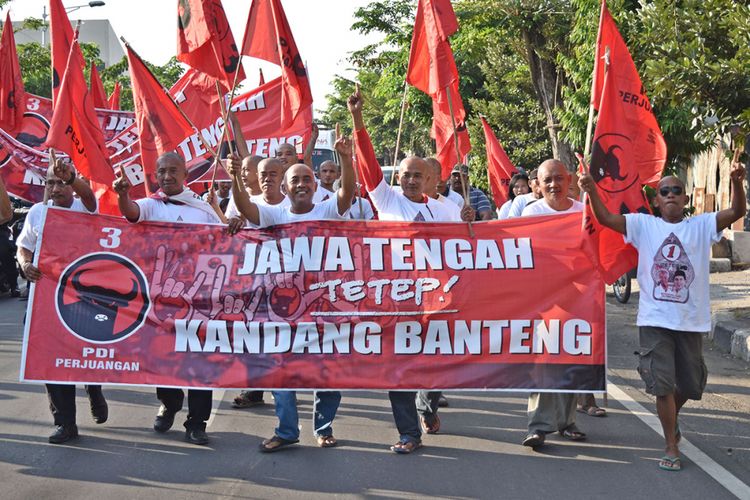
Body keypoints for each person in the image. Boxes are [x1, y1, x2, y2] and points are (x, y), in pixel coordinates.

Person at [579, 157, 746, 471]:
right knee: (662, 385)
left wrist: (737, 181)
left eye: (676, 190)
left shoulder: (701, 225)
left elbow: (737, 212)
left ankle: (673, 415)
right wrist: (590, 190)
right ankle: (671, 445)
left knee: (692, 385)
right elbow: (605, 219)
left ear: (685, 199)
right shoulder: (644, 226)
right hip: (655, 321)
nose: (670, 194)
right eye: (664, 191)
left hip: (691, 321)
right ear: (656, 201)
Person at [349, 84, 468, 454]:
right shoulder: (386, 199)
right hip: (397, 300)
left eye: (417, 175)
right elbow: (367, 164)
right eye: (405, 174)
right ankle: (408, 433)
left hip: (437, 300)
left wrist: (469, 224)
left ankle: (428, 404)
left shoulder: (446, 209)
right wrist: (357, 119)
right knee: (399, 367)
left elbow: (466, 249)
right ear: (397, 178)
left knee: (434, 362)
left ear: (430, 180)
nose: (411, 180)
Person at [229, 125, 356, 453]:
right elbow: (245, 209)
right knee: (280, 371)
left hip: (324, 308)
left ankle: (324, 427)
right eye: (295, 180)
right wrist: (234, 180)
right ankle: (287, 430)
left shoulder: (327, 210)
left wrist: (346, 159)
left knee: (326, 374)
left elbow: (347, 194)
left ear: (316, 187)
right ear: (285, 187)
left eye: (307, 180)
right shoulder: (273, 214)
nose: (301, 185)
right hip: (282, 309)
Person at [113, 152, 221, 446]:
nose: (167, 176)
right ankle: (169, 404)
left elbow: (225, 246)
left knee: (199, 362)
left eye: (173, 171)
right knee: (164, 359)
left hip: (199, 300)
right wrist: (123, 195)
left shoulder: (202, 210)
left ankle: (197, 423)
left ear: (185, 174)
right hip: (160, 301)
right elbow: (131, 212)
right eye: (162, 171)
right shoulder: (151, 205)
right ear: (156, 175)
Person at [16, 160, 108, 444]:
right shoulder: (37, 212)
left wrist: (72, 178)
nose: (55, 188)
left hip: (85, 296)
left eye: (60, 182)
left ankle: (93, 388)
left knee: (85, 352)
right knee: (49, 357)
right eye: (49, 183)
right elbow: (23, 247)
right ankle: (65, 422)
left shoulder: (84, 207)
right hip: (46, 295)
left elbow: (90, 197)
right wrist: (25, 264)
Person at [520, 159, 587, 449]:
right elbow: (514, 252)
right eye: (547, 180)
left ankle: (567, 421)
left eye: (558, 179)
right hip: (542, 300)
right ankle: (538, 427)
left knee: (571, 358)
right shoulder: (531, 213)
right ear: (538, 183)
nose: (553, 185)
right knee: (544, 361)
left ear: (569, 179)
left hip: (577, 298)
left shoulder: (584, 212)